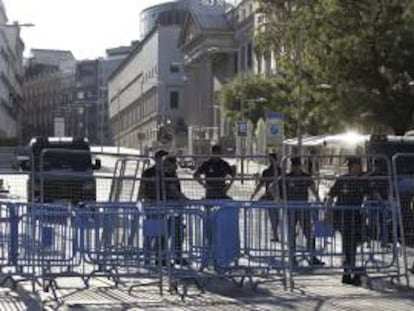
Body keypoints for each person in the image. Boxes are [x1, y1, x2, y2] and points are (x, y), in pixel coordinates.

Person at [326, 156, 371, 286]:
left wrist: (379, 204)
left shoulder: (363, 181)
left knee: (358, 240)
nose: (358, 169)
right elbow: (331, 196)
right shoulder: (342, 180)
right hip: (343, 217)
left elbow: (371, 194)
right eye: (355, 166)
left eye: (359, 166)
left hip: (357, 217)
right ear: (351, 167)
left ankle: (349, 269)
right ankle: (347, 272)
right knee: (348, 245)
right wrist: (328, 213)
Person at [285, 156, 324, 266]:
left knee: (309, 233)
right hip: (291, 209)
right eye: (294, 166)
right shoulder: (287, 177)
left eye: (297, 166)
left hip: (303, 208)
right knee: (291, 235)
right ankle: (292, 258)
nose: (296, 168)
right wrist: (279, 199)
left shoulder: (306, 177)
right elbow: (273, 187)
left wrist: (318, 199)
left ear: (300, 166)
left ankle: (312, 257)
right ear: (291, 166)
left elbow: (313, 189)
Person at [250, 153, 281, 242]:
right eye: (270, 160)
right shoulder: (266, 172)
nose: (271, 162)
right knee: (273, 216)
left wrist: (254, 194)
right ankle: (275, 234)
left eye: (272, 160)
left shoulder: (280, 171)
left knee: (276, 217)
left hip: (278, 197)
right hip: (270, 197)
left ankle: (276, 233)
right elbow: (261, 184)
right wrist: (254, 194)